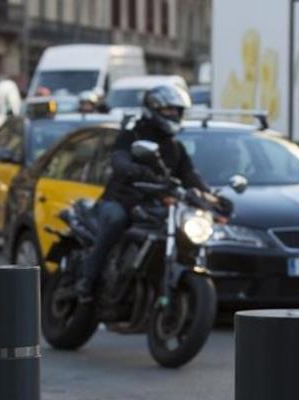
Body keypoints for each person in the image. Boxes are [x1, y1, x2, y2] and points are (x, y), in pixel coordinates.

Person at [78, 84, 209, 302]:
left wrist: (212, 197)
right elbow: (119, 161)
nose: (174, 115)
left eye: (178, 111)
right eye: (169, 110)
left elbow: (190, 176)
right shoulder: (132, 135)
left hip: (154, 204)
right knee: (116, 221)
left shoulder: (175, 148)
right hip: (121, 199)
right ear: (153, 109)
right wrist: (137, 170)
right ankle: (87, 280)